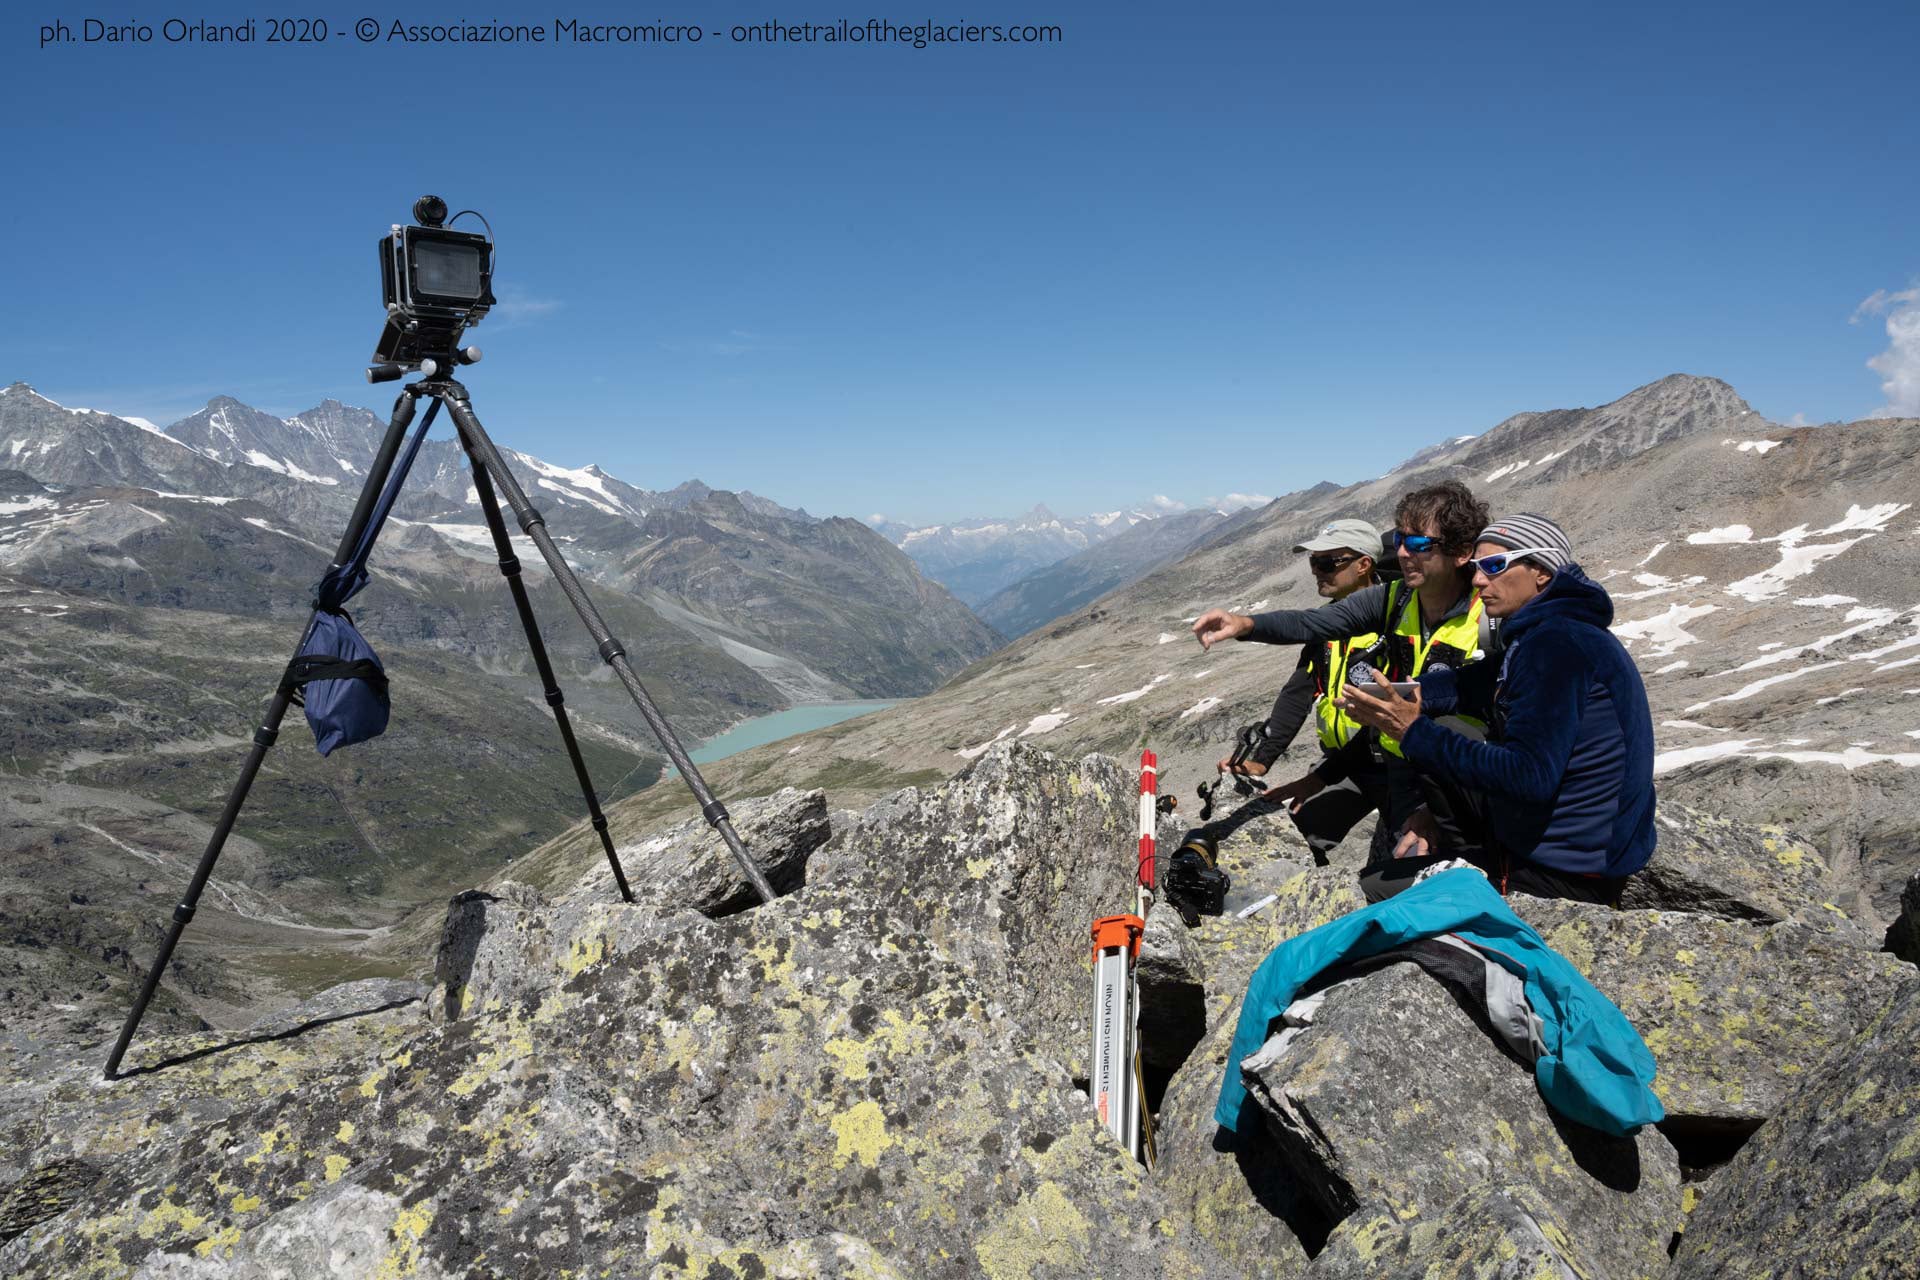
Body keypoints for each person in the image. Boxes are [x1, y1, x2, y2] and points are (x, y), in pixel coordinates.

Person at [1336, 514, 1656, 904]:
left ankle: (1478, 871)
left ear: (1540, 571)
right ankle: (1464, 853)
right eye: (1476, 567)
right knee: (1450, 726)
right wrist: (1395, 696)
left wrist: (1411, 731)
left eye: (1493, 567)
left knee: (1369, 892)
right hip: (1567, 843)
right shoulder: (1547, 632)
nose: (1477, 580)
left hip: (1563, 868)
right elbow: (1467, 683)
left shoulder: (1556, 646)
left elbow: (1529, 776)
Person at [1192, 481, 1493, 859]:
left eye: (1418, 544)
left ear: (1462, 553)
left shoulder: (1492, 616)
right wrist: (1245, 624)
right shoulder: (1396, 600)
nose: (1402, 553)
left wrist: (1438, 808)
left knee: (1430, 881)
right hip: (1390, 765)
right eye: (1399, 539)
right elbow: (1311, 626)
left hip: (1454, 779)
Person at [1212, 518, 1393, 864]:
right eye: (1314, 562)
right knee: (1295, 838)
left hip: (1394, 766)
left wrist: (1319, 778)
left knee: (1398, 864)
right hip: (1341, 763)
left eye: (1327, 563)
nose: (1317, 572)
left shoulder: (1395, 621)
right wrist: (1261, 760)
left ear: (1364, 564)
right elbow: (1299, 693)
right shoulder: (1327, 625)